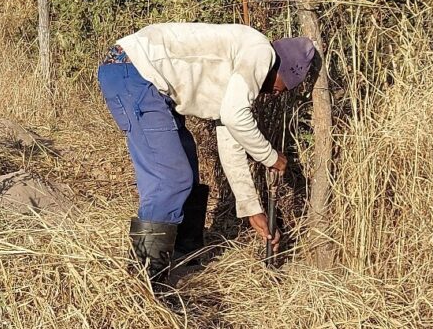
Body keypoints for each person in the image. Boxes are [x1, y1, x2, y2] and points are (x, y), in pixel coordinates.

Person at [97, 23, 316, 282]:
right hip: (133, 72)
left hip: (140, 78)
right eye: (286, 86)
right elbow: (236, 118)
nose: (278, 94)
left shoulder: (242, 65)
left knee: (185, 166)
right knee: (171, 179)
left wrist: (251, 209)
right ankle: (145, 281)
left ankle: (183, 260)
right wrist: (269, 156)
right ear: (284, 69)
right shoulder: (261, 52)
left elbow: (231, 140)